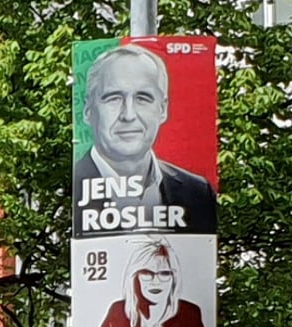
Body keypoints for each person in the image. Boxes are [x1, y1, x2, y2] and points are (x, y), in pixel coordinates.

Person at [73, 44, 216, 236]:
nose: (128, 115)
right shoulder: (69, 188)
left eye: (142, 98)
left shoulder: (198, 192)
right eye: (114, 98)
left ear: (163, 109)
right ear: (88, 110)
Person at [87, 238, 209, 327]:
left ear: (174, 279)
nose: (156, 281)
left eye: (164, 273)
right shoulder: (119, 311)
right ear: (135, 277)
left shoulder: (189, 314)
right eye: (146, 273)